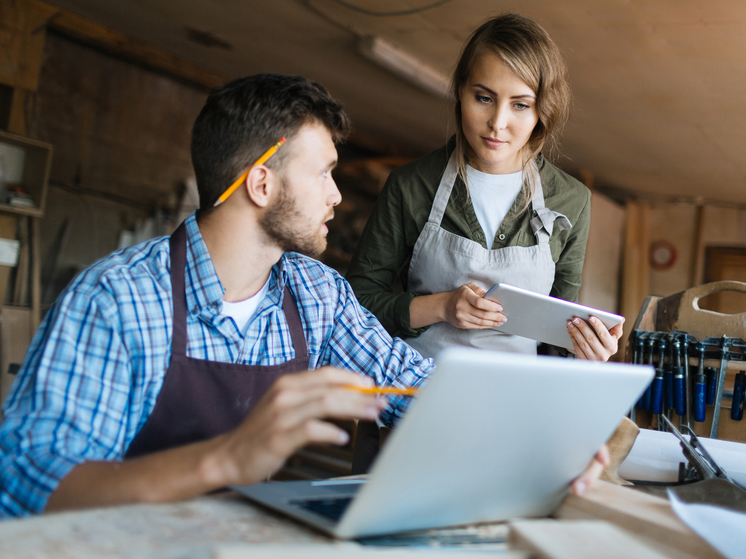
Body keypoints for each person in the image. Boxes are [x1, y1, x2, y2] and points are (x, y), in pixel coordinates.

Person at [0, 73, 607, 518]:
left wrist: (549, 447)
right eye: (323, 173)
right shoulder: (118, 299)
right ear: (261, 183)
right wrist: (225, 460)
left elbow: (418, 389)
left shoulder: (314, 293)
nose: (336, 196)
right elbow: (30, 484)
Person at [346, 14, 623, 361]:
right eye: (483, 98)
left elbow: (557, 334)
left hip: (515, 401)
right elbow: (358, 302)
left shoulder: (571, 199)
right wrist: (441, 306)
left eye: (520, 105)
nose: (498, 123)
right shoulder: (412, 184)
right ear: (461, 91)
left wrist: (586, 349)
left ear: (542, 110)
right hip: (417, 391)